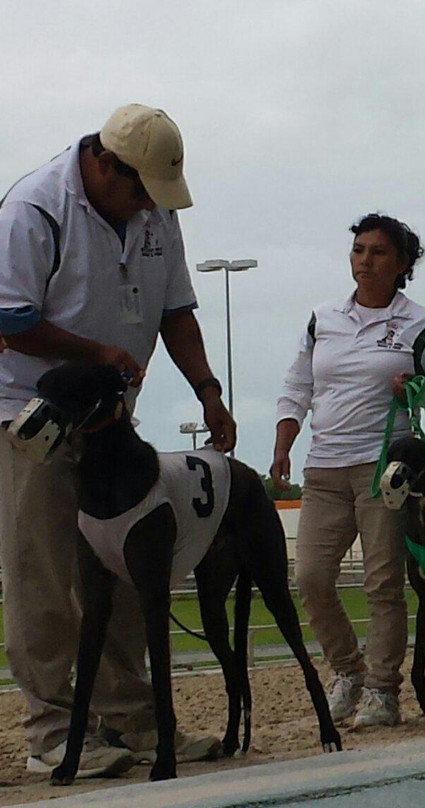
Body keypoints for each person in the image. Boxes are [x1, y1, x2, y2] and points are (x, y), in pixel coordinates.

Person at [0, 104, 235, 777]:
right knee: (43, 573)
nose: (145, 208)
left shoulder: (157, 208)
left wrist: (208, 388)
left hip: (112, 422)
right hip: (31, 415)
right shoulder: (33, 208)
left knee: (127, 572)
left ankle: (131, 721)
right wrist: (97, 352)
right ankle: (49, 729)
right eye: (137, 192)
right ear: (103, 163)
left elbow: (175, 310)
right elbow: (10, 318)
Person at [271, 213, 425, 729]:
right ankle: (348, 671)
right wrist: (283, 444)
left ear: (402, 263)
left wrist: (419, 388)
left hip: (385, 471)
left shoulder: (421, 324)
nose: (365, 260)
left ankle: (384, 689)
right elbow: (298, 388)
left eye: (378, 252)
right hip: (323, 469)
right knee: (311, 578)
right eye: (359, 250)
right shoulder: (324, 319)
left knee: (383, 583)